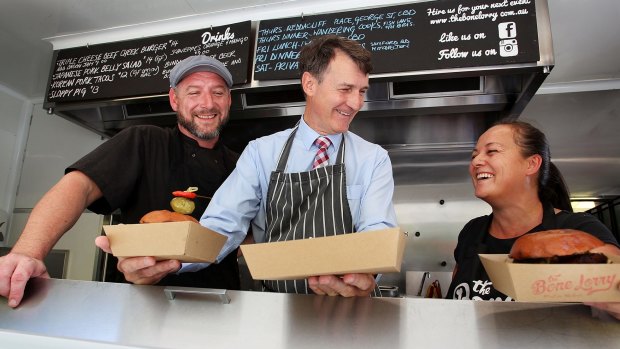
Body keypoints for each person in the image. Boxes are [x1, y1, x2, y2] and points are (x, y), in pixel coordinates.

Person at [98, 34, 398, 297]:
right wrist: (171, 262)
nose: (356, 103)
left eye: (362, 91)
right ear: (309, 83)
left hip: (351, 306)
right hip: (278, 308)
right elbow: (223, 226)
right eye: (345, 89)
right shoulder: (261, 152)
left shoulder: (373, 158)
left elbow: (377, 231)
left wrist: (368, 275)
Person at [0, 55, 241, 308]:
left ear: (228, 100)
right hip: (143, 303)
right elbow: (78, 187)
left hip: (223, 302)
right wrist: (28, 252)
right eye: (194, 92)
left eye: (218, 92)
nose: (207, 103)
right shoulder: (144, 141)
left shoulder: (242, 164)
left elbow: (246, 237)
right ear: (174, 100)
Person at [446, 119, 620, 319]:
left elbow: (614, 287)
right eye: (474, 155)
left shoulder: (580, 229)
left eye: (492, 151)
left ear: (531, 163)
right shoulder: (472, 231)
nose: (476, 162)